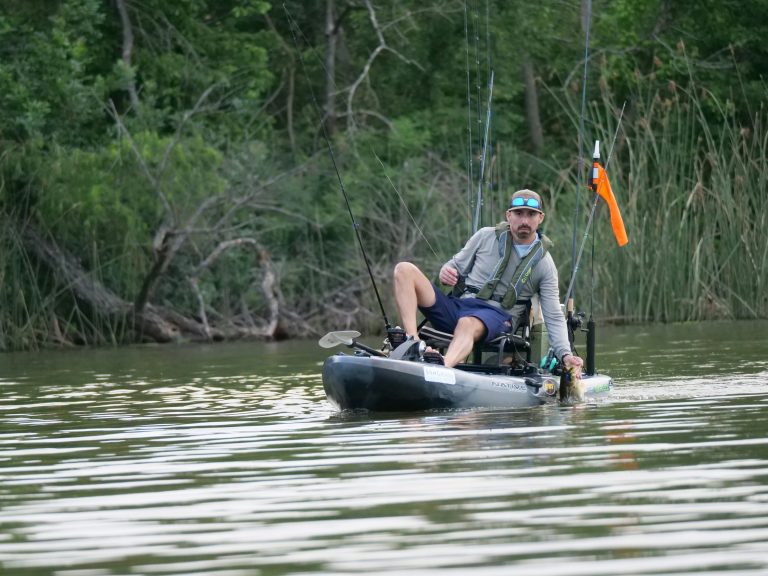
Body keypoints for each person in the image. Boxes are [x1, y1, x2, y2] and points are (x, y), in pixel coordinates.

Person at [393, 189, 583, 376]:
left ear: (540, 218)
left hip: (498, 317)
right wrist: (445, 272)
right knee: (404, 269)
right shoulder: (484, 236)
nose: (524, 221)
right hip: (459, 306)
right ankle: (413, 344)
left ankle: (442, 369)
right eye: (518, 213)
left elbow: (554, 315)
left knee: (467, 323)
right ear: (508, 215)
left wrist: (565, 354)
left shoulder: (545, 264)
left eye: (531, 214)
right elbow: (454, 266)